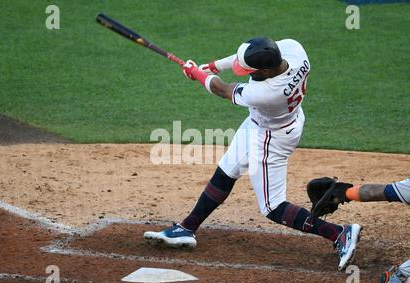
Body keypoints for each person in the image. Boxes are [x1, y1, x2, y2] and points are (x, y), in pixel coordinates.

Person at [144, 37, 362, 271]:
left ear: (266, 71)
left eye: (250, 71)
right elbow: (245, 57)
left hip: (271, 138)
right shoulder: (294, 50)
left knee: (272, 206)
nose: (244, 72)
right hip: (266, 123)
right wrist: (212, 66)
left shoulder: (266, 93)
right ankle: (187, 228)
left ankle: (339, 233)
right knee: (228, 169)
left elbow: (221, 89)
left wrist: (196, 73)